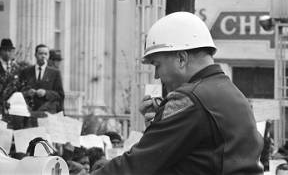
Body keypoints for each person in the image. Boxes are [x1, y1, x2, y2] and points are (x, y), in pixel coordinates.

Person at [92, 12, 264, 175]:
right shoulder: (233, 94)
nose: (156, 75)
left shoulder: (187, 99)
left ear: (181, 59)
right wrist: (160, 124)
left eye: (157, 65)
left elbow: (138, 164)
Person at [19, 44, 64, 126]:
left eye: (45, 54)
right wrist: (27, 93)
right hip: (29, 115)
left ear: (48, 56)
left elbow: (60, 95)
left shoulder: (55, 73)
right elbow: (18, 92)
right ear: (35, 55)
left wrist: (46, 93)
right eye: (40, 54)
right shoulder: (26, 72)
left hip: (47, 115)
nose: (43, 56)